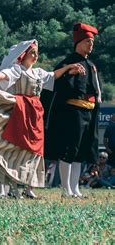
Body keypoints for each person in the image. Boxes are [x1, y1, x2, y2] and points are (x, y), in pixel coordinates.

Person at [0, 39, 85, 198]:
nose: (35, 56)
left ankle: (30, 188)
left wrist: (69, 67)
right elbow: (4, 75)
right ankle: (13, 187)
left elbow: (53, 75)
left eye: (37, 53)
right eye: (32, 53)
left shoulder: (38, 72)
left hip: (35, 114)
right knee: (17, 148)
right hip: (20, 111)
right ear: (23, 55)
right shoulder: (17, 70)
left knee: (35, 150)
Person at [44, 23, 102, 197]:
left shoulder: (91, 65)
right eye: (87, 41)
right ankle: (65, 188)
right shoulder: (68, 62)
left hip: (89, 112)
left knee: (81, 152)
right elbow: (55, 82)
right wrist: (70, 73)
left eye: (92, 42)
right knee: (70, 149)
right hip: (73, 112)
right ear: (78, 42)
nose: (91, 45)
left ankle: (75, 188)